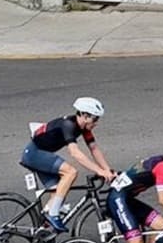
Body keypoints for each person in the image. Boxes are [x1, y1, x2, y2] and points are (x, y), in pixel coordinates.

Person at [20, 97, 112, 233]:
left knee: (59, 193)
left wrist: (108, 170)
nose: (96, 123)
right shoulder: (68, 125)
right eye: (95, 119)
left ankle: (41, 232)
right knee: (70, 172)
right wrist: (99, 171)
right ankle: (52, 214)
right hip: (34, 154)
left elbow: (94, 149)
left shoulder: (84, 128)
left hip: (42, 154)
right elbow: (75, 153)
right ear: (85, 116)